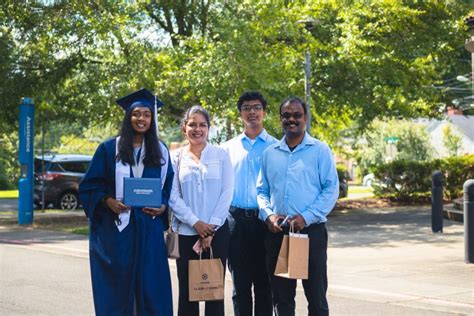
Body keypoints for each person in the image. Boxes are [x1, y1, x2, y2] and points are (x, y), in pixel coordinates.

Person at [79, 88, 174, 316]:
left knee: (152, 286)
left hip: (149, 231)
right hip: (118, 231)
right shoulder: (109, 148)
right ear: (128, 117)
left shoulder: (160, 151)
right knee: (117, 288)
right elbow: (89, 185)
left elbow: (168, 187)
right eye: (136, 114)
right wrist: (107, 200)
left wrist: (162, 205)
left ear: (152, 119)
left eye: (146, 114)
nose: (141, 119)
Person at [256, 97, 339, 316]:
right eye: (286, 115)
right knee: (282, 299)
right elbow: (261, 191)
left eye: (297, 115)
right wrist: (268, 215)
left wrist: (306, 216)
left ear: (305, 118)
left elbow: (331, 189)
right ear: (280, 118)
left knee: (316, 296)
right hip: (278, 234)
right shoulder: (270, 153)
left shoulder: (320, 150)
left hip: (310, 233)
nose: (291, 119)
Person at [169, 105, 234, 316]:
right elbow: (172, 196)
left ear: (209, 128)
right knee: (188, 294)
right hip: (187, 234)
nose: (198, 129)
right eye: (192, 124)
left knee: (213, 291)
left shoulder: (221, 154)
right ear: (184, 128)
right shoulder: (175, 158)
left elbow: (227, 192)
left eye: (202, 125)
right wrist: (195, 223)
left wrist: (211, 228)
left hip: (217, 234)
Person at [221, 91, 276, 316]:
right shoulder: (227, 149)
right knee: (240, 286)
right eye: (246, 108)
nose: (251, 112)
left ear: (264, 112)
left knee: (265, 285)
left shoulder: (276, 147)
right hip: (236, 222)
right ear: (240, 114)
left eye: (256, 107)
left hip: (266, 222)